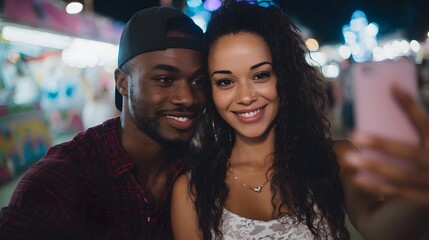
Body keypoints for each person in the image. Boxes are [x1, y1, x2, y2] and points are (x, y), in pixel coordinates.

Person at [170, 1, 429, 240]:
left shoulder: (336, 158)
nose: (246, 97)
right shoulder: (192, 191)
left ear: (283, 77)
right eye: (225, 81)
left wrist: (420, 189)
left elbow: (381, 229)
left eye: (260, 75)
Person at [0, 6, 207, 240]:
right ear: (121, 82)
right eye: (165, 79)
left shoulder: (202, 167)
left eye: (199, 82)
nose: (187, 98)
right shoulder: (60, 181)